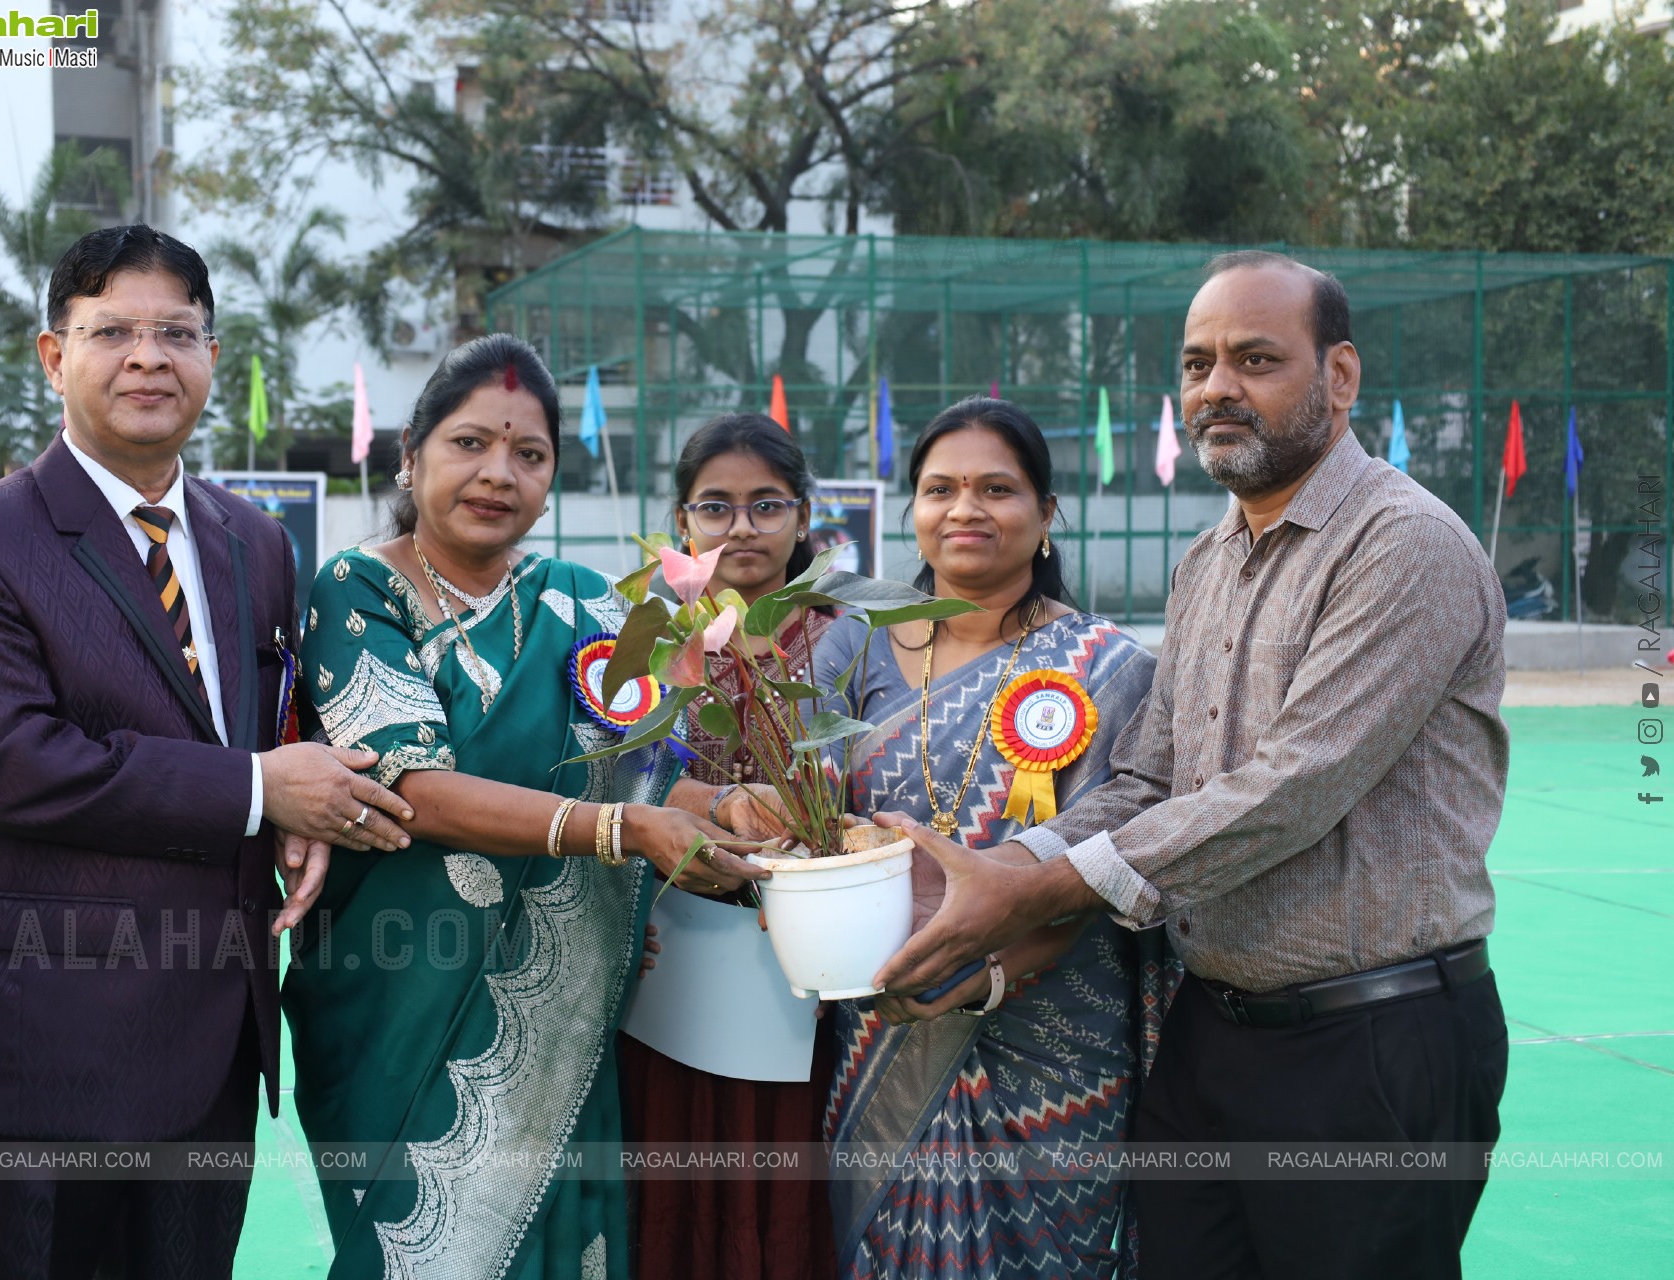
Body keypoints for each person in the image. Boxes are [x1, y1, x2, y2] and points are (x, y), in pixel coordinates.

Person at [875, 252, 1510, 1280]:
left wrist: (1030, 886)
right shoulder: (1209, 558)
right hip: (1211, 1032)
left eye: (1256, 359)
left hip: (1372, 1045)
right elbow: (1147, 779)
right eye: (1198, 362)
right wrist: (983, 870)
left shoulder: (1403, 544)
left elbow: (1292, 786)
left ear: (1339, 377)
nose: (1218, 387)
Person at [0, 224, 412, 1279]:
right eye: (113, 330)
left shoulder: (254, 542)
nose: (148, 356)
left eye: (177, 330)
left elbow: (267, 719)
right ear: (54, 354)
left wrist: (299, 803)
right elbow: (7, 761)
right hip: (36, 1059)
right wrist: (263, 790)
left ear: (212, 357)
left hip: (208, 1041)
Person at [286, 335, 771, 1280]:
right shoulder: (359, 589)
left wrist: (733, 804)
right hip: (399, 997)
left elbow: (634, 774)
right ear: (411, 456)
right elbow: (407, 786)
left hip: (563, 1003)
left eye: (529, 454)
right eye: (469, 444)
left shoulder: (583, 602)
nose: (498, 473)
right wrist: (629, 830)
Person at [813, 397, 1167, 1280]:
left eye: (997, 489)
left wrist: (993, 972)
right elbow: (802, 812)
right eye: (941, 489)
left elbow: (1121, 856)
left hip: (1053, 1037)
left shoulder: (1111, 668)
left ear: (1046, 516)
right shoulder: (852, 644)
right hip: (880, 1022)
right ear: (914, 512)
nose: (965, 509)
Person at [618, 412, 838, 1280]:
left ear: (803, 515)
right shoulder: (646, 637)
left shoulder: (849, 638)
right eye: (715, 507)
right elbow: (613, 790)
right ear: (682, 523)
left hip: (806, 975)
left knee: (786, 1190)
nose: (741, 527)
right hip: (670, 964)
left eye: (766, 505)